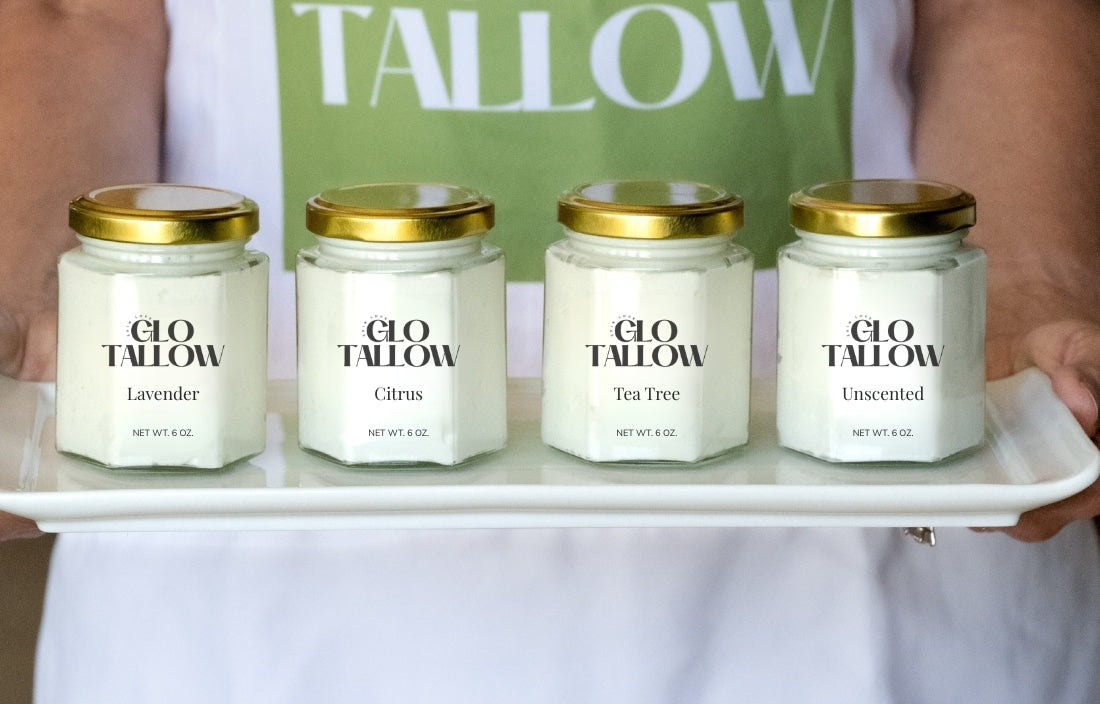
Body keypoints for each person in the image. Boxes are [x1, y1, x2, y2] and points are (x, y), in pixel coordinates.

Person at [1, 0, 1098, 701]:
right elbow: (67, 17)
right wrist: (25, 323)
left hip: (874, 519)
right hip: (243, 565)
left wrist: (1028, 302)